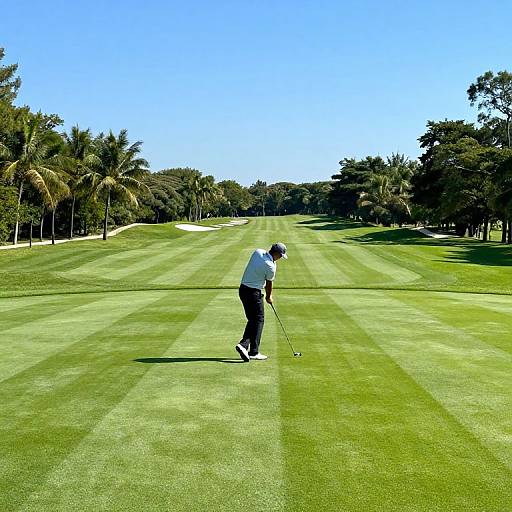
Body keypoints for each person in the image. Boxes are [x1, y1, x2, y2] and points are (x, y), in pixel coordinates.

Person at [235, 242, 287, 362]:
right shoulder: (271, 267)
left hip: (242, 290)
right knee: (258, 320)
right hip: (253, 293)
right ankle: (246, 347)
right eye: (280, 256)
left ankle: (251, 349)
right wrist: (269, 297)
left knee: (253, 320)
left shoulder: (257, 252)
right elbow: (269, 283)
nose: (280, 259)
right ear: (277, 254)